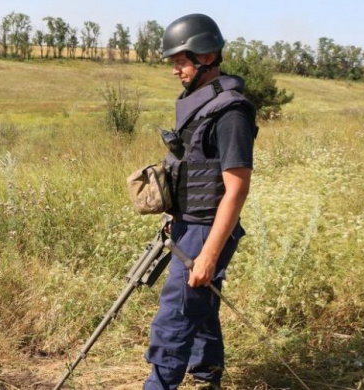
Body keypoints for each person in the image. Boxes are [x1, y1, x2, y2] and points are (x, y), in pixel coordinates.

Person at [144, 13, 258, 390]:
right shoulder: (199, 104)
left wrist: (209, 254)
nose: (176, 70)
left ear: (206, 56)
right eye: (174, 63)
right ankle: (208, 376)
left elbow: (236, 188)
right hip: (187, 224)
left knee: (175, 317)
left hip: (207, 231)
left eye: (181, 61)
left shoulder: (231, 113)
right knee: (202, 306)